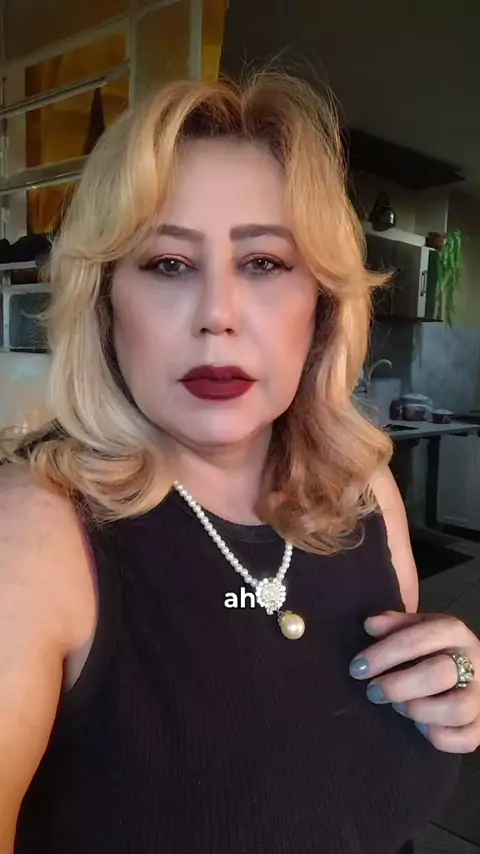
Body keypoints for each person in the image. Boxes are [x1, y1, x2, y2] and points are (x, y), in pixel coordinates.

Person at [0, 73, 478, 854]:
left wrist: (452, 680)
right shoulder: (31, 535)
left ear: (321, 304)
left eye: (263, 263)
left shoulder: (361, 490)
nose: (217, 315)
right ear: (106, 302)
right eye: (167, 263)